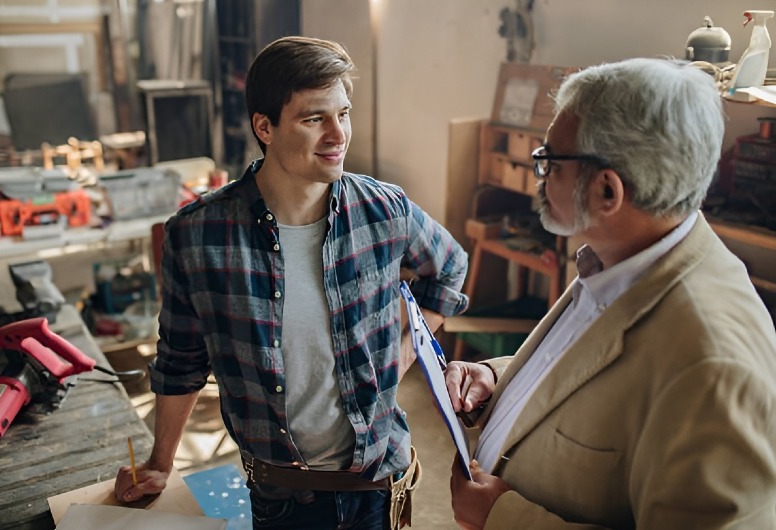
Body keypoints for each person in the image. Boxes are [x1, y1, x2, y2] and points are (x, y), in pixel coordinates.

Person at [114, 36, 469, 530]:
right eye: (314, 119)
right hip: (281, 498)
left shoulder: (383, 210)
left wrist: (406, 350)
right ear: (265, 127)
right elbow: (181, 363)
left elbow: (449, 269)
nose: (338, 134)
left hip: (380, 486)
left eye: (343, 114)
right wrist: (159, 463)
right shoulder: (198, 237)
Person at [446, 57, 776, 529]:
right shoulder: (619, 258)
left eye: (550, 162)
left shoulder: (713, 366)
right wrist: (500, 380)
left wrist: (505, 518)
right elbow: (595, 370)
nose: (539, 174)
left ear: (607, 191)